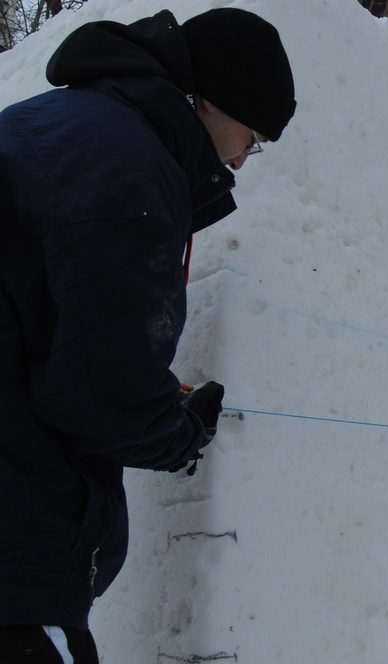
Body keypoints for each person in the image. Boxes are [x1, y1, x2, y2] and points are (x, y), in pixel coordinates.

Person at [0, 8, 295, 662]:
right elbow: (106, 392)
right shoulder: (130, 169)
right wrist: (183, 428)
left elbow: (62, 331)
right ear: (213, 102)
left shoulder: (64, 127)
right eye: (254, 136)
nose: (245, 160)